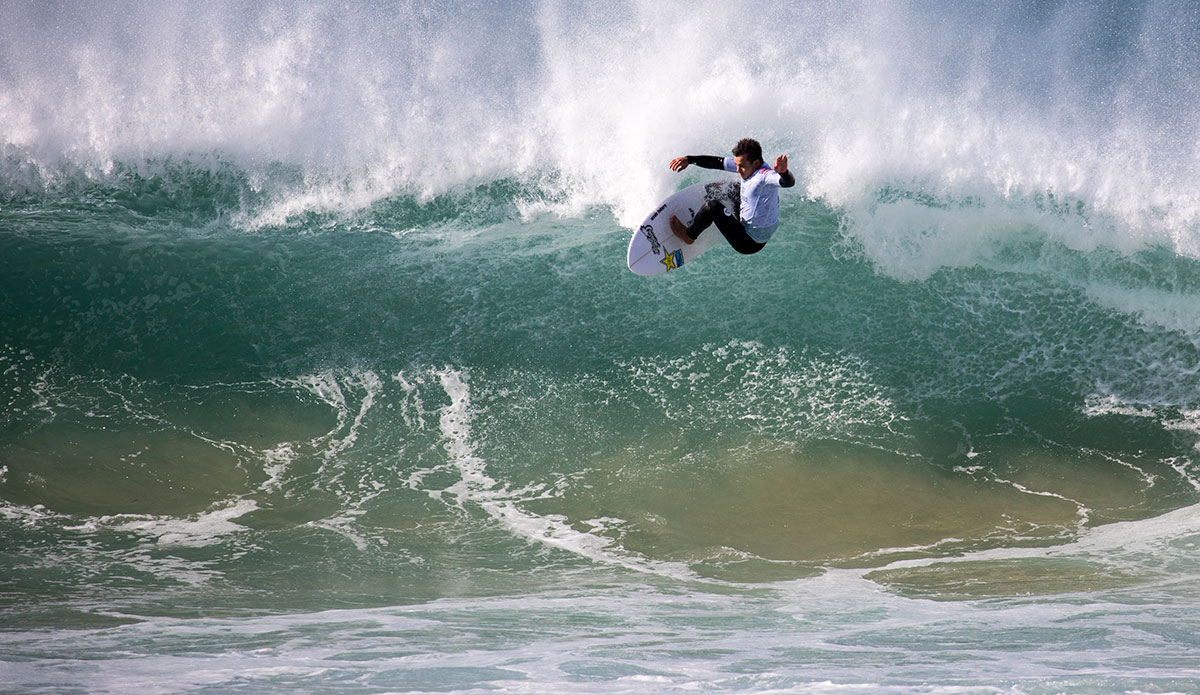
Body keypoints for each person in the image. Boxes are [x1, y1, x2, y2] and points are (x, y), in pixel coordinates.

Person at [668, 138, 795, 254]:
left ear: (756, 163)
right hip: (757, 225)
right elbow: (717, 162)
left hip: (750, 242)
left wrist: (784, 173)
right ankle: (720, 216)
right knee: (732, 186)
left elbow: (787, 183)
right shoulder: (747, 165)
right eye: (737, 165)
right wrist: (689, 159)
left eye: (741, 166)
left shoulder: (765, 176)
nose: (737, 170)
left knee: (713, 206)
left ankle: (689, 236)